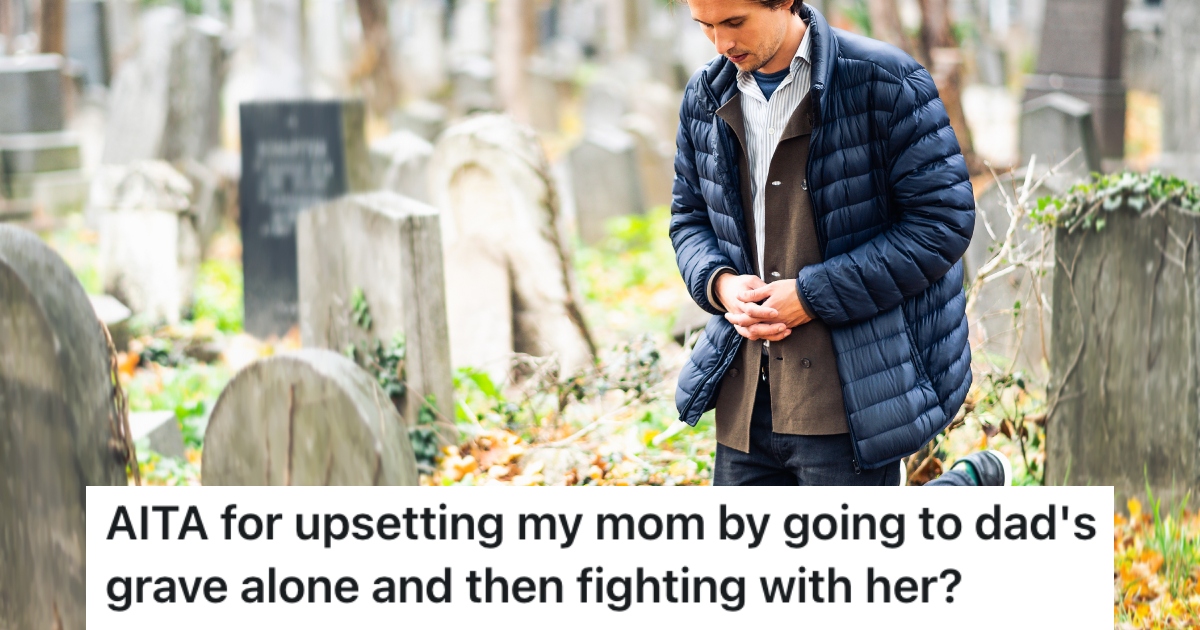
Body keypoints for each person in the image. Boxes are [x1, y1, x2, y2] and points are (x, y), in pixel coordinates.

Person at [670, 0, 1008, 486]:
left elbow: (942, 223)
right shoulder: (704, 94)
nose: (722, 44)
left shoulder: (886, 82)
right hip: (743, 393)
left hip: (850, 395)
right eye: (705, 27)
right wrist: (720, 284)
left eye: (734, 23)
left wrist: (811, 297)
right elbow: (689, 218)